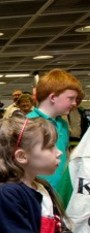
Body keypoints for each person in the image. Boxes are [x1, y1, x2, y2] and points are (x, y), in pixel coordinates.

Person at [27, 68, 83, 198]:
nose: (75, 103)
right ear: (53, 97)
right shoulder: (29, 123)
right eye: (71, 98)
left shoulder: (62, 124)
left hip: (61, 190)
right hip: (36, 191)